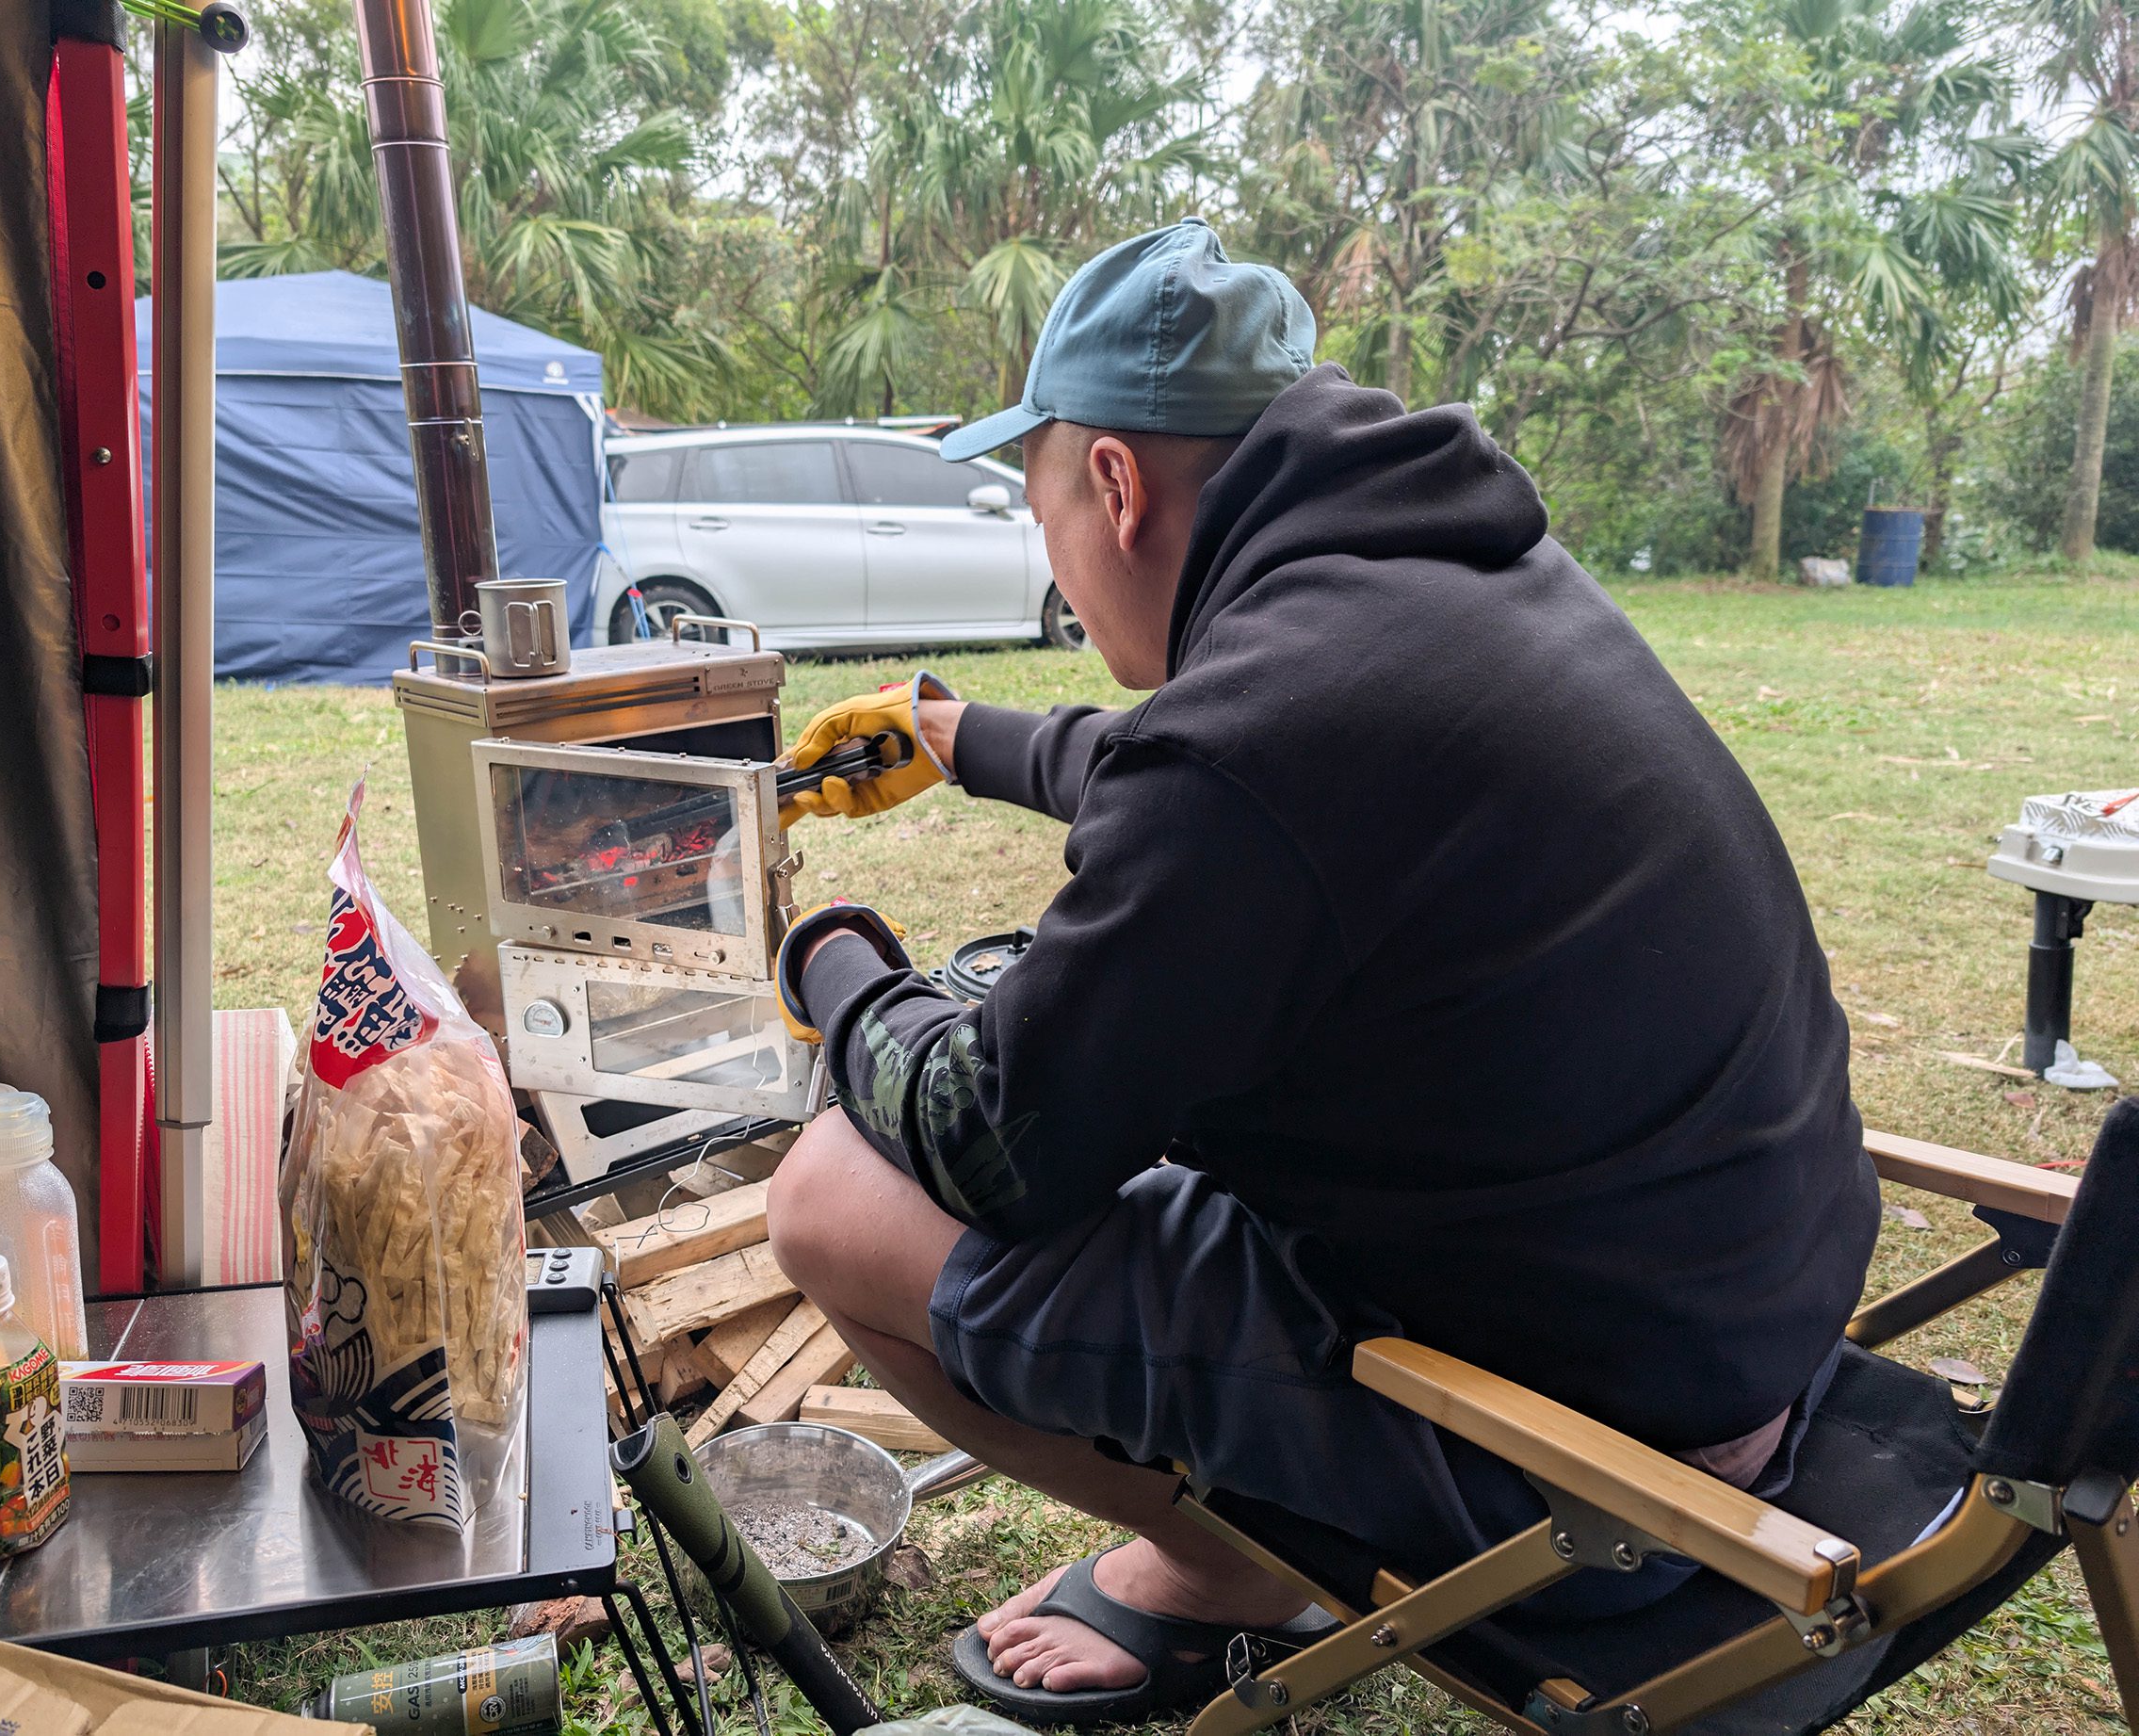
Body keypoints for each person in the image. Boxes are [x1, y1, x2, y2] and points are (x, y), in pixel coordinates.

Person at [763, 218, 1878, 1727]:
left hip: (1601, 1478)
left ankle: (1225, 1567)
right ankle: (1248, 1544)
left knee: (830, 1195)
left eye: (1041, 515)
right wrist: (966, 735)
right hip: (1738, 1332)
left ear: (1114, 484)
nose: (1059, 564)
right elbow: (1224, 768)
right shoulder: (1446, 582)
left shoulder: (1263, 732)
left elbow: (988, 1138)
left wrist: (837, 968)